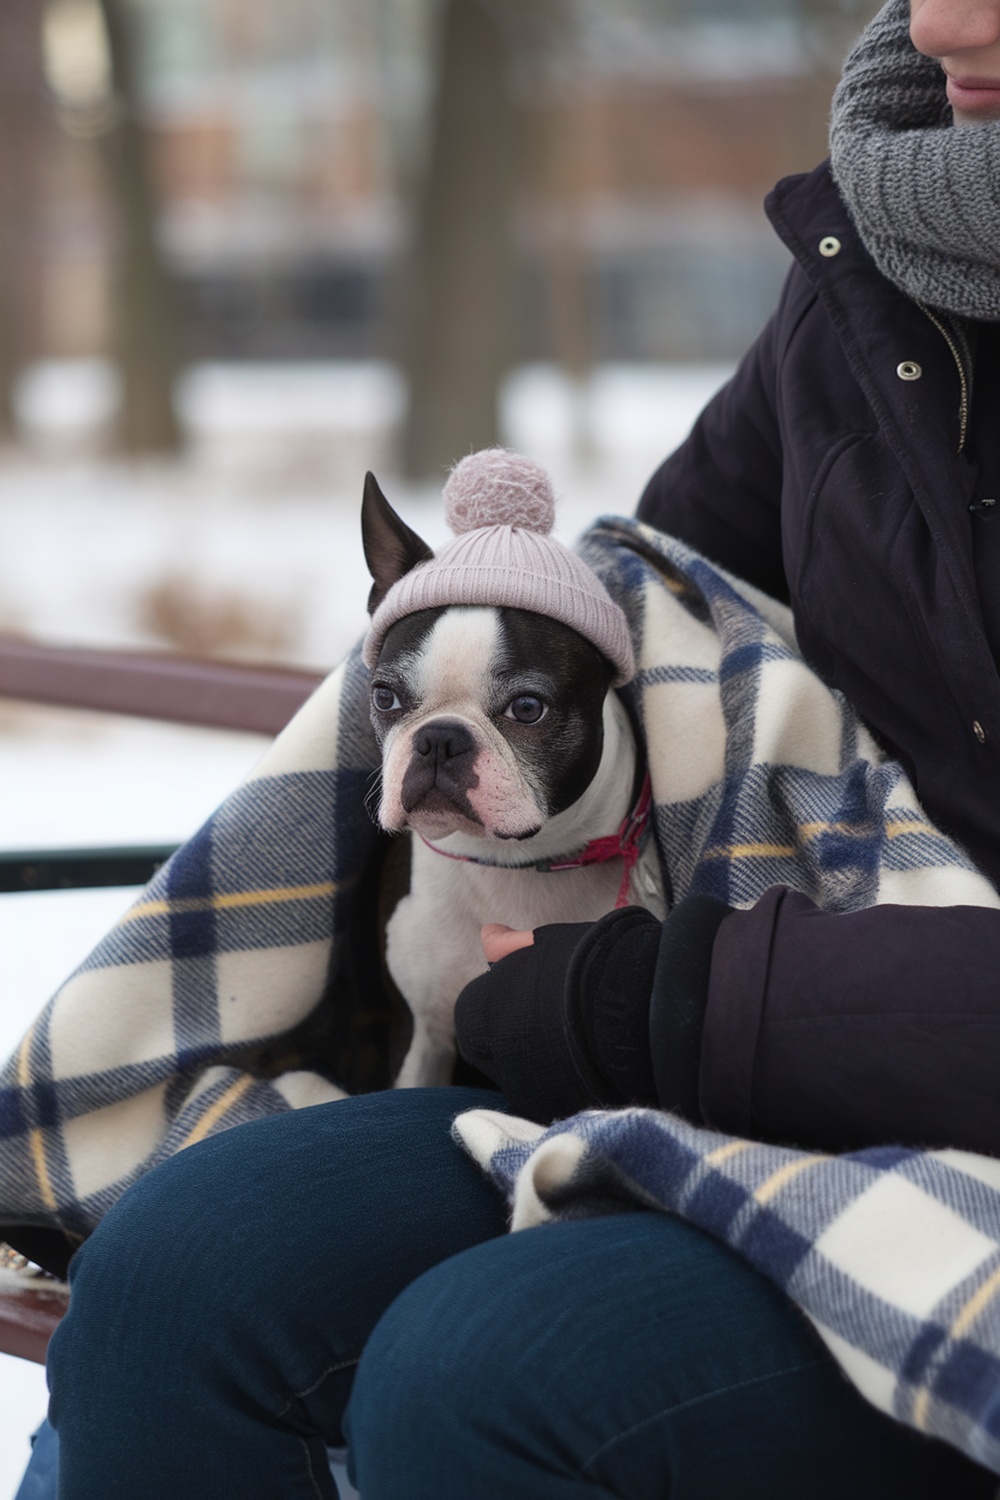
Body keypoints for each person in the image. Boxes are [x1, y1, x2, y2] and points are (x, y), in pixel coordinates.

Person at [32, 0, 1000, 1495]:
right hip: (763, 1029)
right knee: (184, 1262)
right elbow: (664, 593)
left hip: (810, 1035)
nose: (940, 16)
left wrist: (658, 992)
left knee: (486, 1373)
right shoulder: (874, 269)